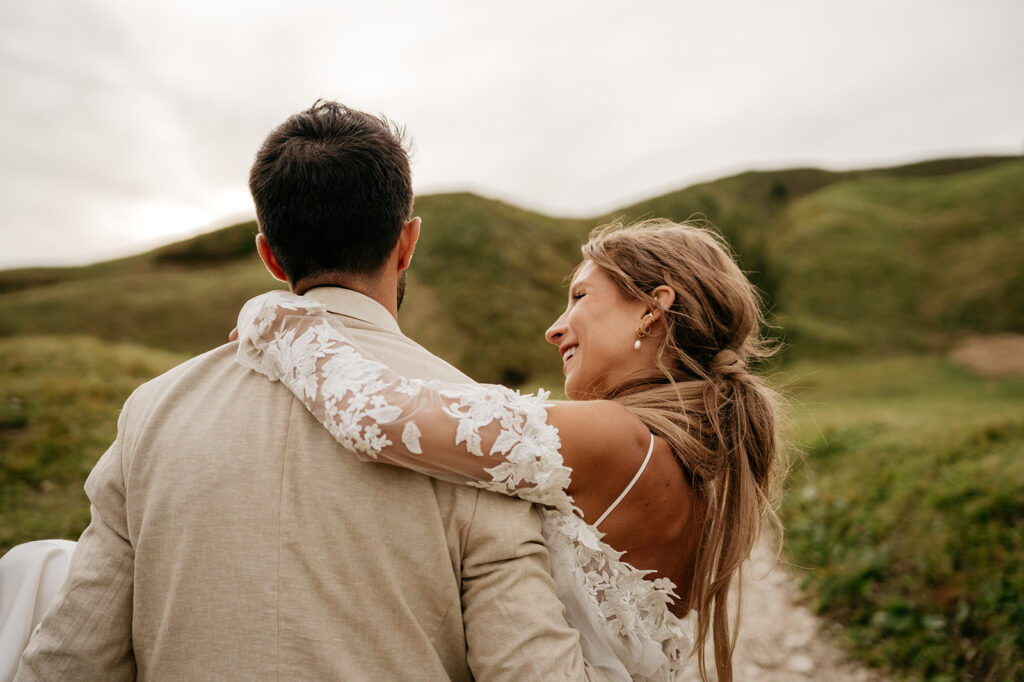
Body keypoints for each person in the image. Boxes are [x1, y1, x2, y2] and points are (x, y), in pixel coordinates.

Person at [12, 101, 604, 681]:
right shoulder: (476, 424)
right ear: (407, 243)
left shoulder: (151, 411)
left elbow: (71, 658)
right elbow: (529, 667)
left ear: (270, 255)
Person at [233, 218, 787, 682]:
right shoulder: (686, 464)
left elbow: (376, 417)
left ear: (652, 309)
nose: (555, 328)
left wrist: (278, 320)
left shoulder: (618, 438)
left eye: (579, 297)